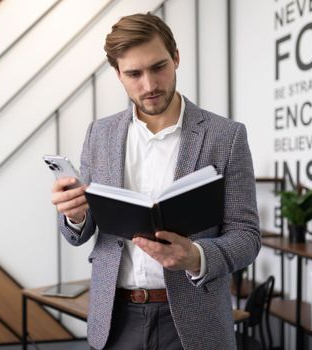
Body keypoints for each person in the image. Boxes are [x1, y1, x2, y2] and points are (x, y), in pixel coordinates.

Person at [51, 13, 260, 350]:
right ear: (118, 74)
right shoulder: (99, 134)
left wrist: (196, 256)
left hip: (195, 320)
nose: (149, 85)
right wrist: (74, 215)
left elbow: (246, 236)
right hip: (115, 318)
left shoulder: (226, 136)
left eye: (159, 67)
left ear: (176, 58)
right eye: (134, 73)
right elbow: (83, 232)